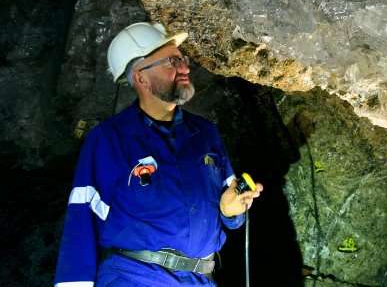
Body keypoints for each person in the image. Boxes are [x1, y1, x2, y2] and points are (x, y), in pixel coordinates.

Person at [54, 22, 262, 287]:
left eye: (182, 59)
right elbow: (81, 223)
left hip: (201, 279)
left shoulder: (206, 134)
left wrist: (231, 210)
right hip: (136, 278)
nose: (185, 67)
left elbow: (231, 216)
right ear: (141, 77)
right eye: (172, 61)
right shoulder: (109, 139)